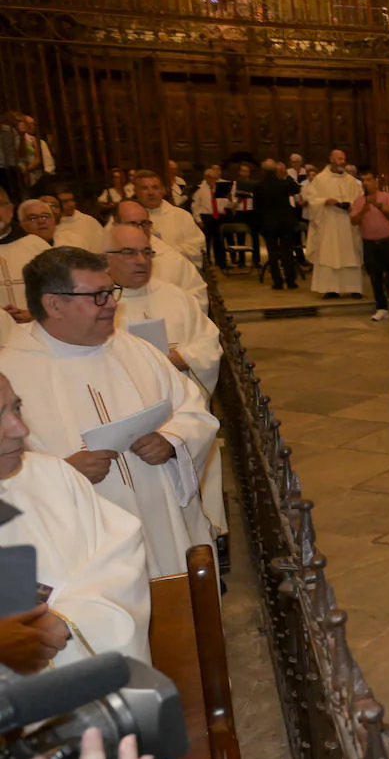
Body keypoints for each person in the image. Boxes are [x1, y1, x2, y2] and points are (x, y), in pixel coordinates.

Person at [0, 372, 191, 759]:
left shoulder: (50, 477)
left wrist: (68, 620)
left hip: (92, 727)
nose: (19, 429)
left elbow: (119, 551)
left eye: (15, 407)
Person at [0, 248, 218, 579]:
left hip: (164, 527)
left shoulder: (137, 351)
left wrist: (171, 441)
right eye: (98, 296)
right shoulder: (11, 373)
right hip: (82, 558)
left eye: (110, 291)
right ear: (53, 304)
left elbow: (193, 410)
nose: (113, 303)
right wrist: (62, 475)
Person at [106, 223, 226, 544]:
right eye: (129, 253)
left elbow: (210, 342)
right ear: (107, 258)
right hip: (130, 419)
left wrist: (181, 357)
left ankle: (206, 539)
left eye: (146, 252)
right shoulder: (102, 306)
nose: (140, 260)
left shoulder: (176, 297)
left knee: (194, 469)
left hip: (180, 411)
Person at [112, 203, 208, 313]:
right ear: (116, 226)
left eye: (144, 223)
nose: (139, 230)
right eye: (131, 224)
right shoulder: (106, 262)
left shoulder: (173, 259)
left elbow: (198, 298)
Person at [306, 149, 365, 298]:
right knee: (329, 254)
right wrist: (325, 201)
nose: (342, 161)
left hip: (347, 223)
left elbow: (360, 199)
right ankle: (330, 289)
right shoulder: (320, 179)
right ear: (331, 159)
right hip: (329, 222)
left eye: (343, 159)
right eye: (338, 158)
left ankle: (354, 288)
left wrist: (351, 205)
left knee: (350, 253)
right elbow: (312, 199)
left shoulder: (351, 181)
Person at [350, 171, 389, 321]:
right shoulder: (358, 201)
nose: (366, 183)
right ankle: (381, 307)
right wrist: (364, 210)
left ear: (376, 182)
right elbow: (353, 221)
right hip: (369, 243)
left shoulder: (385, 196)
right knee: (375, 276)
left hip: (387, 241)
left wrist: (378, 206)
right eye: (363, 180)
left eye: (369, 180)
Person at [132, 170, 204, 268]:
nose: (151, 192)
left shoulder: (181, 216)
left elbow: (197, 245)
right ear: (135, 192)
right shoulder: (126, 218)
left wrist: (167, 253)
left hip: (176, 273)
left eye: (155, 187)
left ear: (163, 190)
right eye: (144, 188)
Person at [255, 159, 302, 290]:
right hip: (285, 222)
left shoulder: (259, 186)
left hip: (268, 224)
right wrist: (286, 175)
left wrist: (259, 226)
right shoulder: (283, 184)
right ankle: (291, 280)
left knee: (273, 253)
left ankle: (278, 282)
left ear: (263, 171)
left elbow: (257, 208)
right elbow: (297, 189)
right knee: (287, 252)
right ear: (276, 170)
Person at [1, 203, 51, 322]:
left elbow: (63, 290)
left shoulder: (36, 245)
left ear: (10, 209)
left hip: (36, 328)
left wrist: (36, 314)